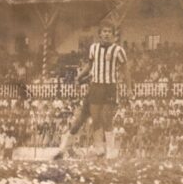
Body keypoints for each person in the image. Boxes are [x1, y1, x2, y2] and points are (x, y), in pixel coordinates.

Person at [55, 21, 130, 159]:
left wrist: (129, 88)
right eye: (104, 31)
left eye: (109, 32)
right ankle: (93, 149)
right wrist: (80, 75)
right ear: (100, 34)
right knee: (92, 119)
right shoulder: (94, 48)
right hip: (95, 86)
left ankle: (110, 152)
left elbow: (125, 70)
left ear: (113, 35)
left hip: (110, 87)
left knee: (106, 117)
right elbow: (90, 65)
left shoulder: (118, 50)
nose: (106, 34)